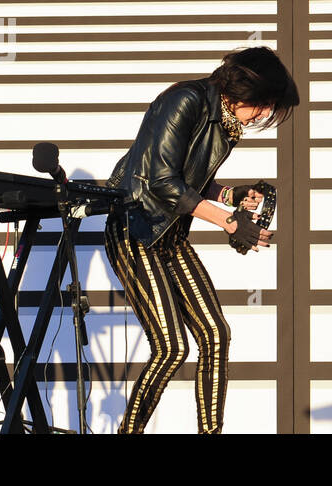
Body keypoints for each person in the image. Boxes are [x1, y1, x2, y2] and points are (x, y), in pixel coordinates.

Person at [104, 46, 298, 434]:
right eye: (263, 104)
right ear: (245, 87)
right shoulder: (185, 100)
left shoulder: (225, 122)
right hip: (136, 229)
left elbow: (191, 178)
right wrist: (230, 222)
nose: (263, 115)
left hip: (169, 235)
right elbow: (161, 181)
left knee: (215, 334)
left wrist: (232, 195)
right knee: (172, 346)